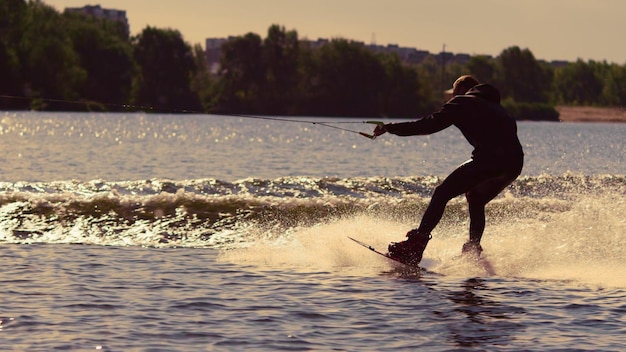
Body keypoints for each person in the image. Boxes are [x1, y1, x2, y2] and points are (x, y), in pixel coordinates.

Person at [372, 75, 524, 265]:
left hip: (490, 160)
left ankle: (415, 247)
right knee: (476, 199)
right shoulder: (499, 109)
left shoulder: (462, 102)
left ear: (459, 91)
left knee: (442, 193)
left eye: (452, 95)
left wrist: (389, 128)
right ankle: (473, 249)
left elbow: (428, 125)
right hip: (514, 164)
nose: (450, 100)